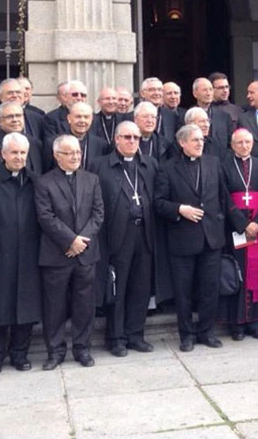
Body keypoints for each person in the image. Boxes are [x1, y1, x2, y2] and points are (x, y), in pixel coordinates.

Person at [154, 125, 231, 351]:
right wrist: (179, 210)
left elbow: (222, 197)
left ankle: (207, 332)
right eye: (195, 140)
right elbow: (158, 203)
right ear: (182, 143)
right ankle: (186, 335)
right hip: (183, 238)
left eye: (202, 140)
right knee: (183, 291)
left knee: (209, 288)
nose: (200, 143)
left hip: (211, 237)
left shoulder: (213, 163)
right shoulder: (167, 169)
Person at [35, 135, 104, 370]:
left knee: (84, 303)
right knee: (54, 305)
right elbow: (45, 217)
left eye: (77, 152)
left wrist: (81, 241)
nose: (75, 156)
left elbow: (98, 214)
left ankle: (82, 348)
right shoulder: (44, 182)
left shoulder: (92, 179)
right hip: (57, 253)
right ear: (56, 156)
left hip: (85, 253)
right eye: (69, 153)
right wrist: (70, 240)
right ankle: (55, 351)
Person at [92, 121, 159, 357]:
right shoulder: (101, 166)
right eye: (127, 137)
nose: (132, 141)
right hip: (117, 234)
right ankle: (116, 337)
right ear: (116, 139)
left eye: (136, 138)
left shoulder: (149, 164)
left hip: (145, 233)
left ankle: (135, 334)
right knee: (117, 288)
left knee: (140, 287)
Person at [0, 133, 42, 374]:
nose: (18, 157)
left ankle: (19, 354)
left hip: (28, 252)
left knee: (26, 306)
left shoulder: (35, 181)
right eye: (14, 152)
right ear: (3, 154)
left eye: (23, 153)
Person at [220, 128, 258, 340]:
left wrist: (257, 222)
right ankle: (238, 323)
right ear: (232, 145)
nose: (244, 146)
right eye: (239, 142)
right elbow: (224, 197)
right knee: (239, 273)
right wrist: (242, 223)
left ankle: (256, 322)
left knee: (257, 273)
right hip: (236, 230)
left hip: (257, 230)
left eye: (247, 142)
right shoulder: (224, 165)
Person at [0, 101, 45, 174]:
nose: (15, 120)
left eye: (18, 115)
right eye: (10, 117)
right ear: (0, 121)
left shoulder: (35, 144)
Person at [192, 77, 234, 149]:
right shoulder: (189, 115)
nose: (208, 93)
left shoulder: (224, 116)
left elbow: (231, 142)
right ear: (195, 93)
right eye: (205, 90)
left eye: (211, 89)